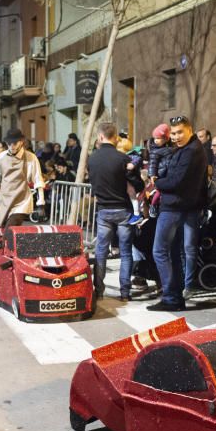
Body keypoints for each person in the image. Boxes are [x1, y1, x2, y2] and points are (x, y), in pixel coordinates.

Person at [148, 115, 208, 312]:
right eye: (173, 133)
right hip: (179, 206)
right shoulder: (187, 148)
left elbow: (176, 181)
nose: (175, 136)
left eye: (179, 132)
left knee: (160, 251)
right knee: (173, 253)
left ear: (190, 130)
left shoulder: (191, 151)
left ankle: (171, 296)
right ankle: (174, 295)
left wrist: (157, 182)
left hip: (175, 207)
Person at [89, 123, 134, 301]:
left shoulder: (92, 159)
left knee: (101, 251)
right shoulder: (122, 158)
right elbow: (135, 183)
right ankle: (125, 292)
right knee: (126, 252)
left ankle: (99, 290)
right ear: (115, 137)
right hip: (123, 209)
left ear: (100, 137)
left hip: (104, 210)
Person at [0, 128, 45, 228]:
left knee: (10, 228)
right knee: (2, 230)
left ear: (21, 142)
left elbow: (38, 180)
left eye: (15, 143)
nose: (12, 146)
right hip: (5, 200)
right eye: (9, 143)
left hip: (21, 202)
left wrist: (41, 204)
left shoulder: (31, 157)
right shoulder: (1, 157)